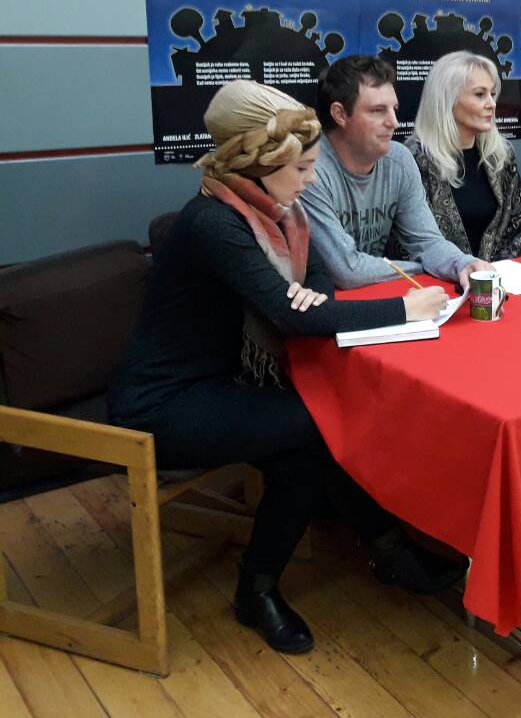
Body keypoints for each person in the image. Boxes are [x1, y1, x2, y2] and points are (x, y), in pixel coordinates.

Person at [108, 81, 465, 655]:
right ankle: (380, 553)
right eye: (301, 168)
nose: (312, 180)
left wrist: (304, 301)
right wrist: (404, 308)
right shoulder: (214, 223)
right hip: (163, 402)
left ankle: (274, 584)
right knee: (321, 425)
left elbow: (316, 282)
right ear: (258, 164)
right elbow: (291, 314)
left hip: (223, 382)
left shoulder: (278, 212)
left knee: (306, 450)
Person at [299, 55, 491, 290]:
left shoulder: (399, 159)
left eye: (394, 109)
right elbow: (346, 270)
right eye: (378, 111)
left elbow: (427, 242)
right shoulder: (309, 169)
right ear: (340, 114)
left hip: (378, 294)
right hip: (323, 303)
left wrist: (463, 263)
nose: (394, 122)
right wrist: (421, 268)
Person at [405, 51, 521, 261]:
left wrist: (494, 273)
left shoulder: (500, 156)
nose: (492, 103)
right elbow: (409, 242)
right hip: (435, 277)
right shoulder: (413, 160)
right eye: (480, 94)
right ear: (447, 100)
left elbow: (520, 226)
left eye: (492, 94)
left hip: (498, 275)